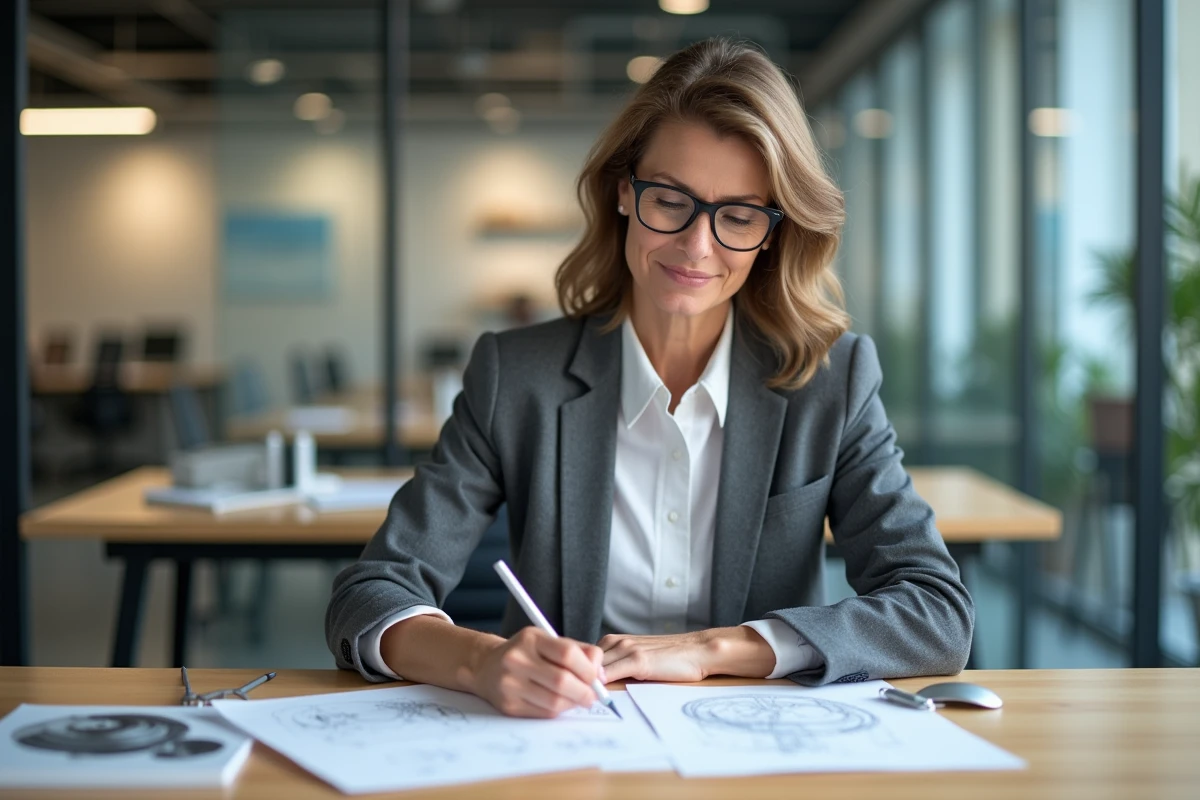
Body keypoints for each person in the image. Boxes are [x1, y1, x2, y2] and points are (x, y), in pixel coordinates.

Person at [326, 37, 973, 719]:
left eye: (739, 216)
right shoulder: (516, 376)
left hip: (754, 748)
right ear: (625, 193)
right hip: (567, 739)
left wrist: (714, 649)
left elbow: (936, 612)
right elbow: (369, 594)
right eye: (672, 200)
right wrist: (482, 659)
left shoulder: (830, 381)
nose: (698, 247)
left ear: (773, 232)